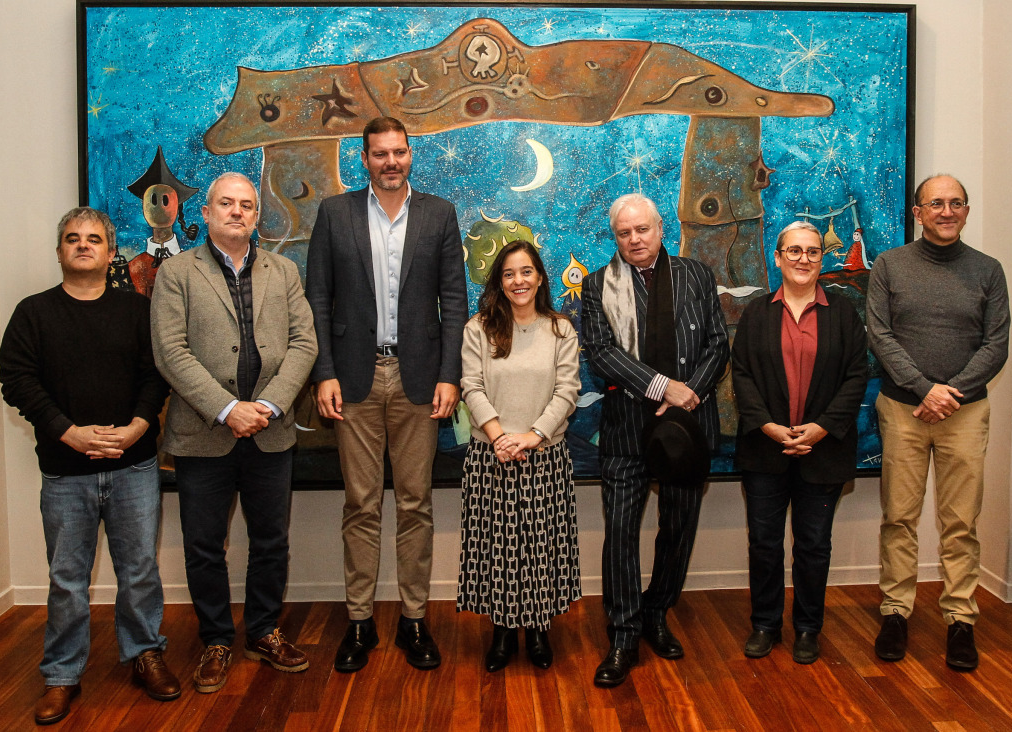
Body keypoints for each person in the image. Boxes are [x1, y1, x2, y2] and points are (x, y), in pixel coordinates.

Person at [0, 207, 179, 725]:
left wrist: (139, 427)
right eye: (73, 239)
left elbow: (156, 376)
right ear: (60, 251)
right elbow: (17, 379)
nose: (83, 246)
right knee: (67, 579)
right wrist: (68, 432)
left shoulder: (135, 311)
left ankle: (145, 654)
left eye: (93, 239)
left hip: (134, 466)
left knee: (140, 571)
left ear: (108, 251)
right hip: (64, 470)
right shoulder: (32, 313)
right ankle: (61, 675)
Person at [306, 116, 468, 672]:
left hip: (420, 380)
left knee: (417, 502)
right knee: (361, 503)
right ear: (365, 159)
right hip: (352, 380)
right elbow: (317, 301)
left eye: (399, 152)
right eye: (380, 154)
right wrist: (323, 372)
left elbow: (454, 300)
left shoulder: (439, 214)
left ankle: (414, 619)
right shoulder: (335, 213)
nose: (391, 162)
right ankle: (359, 622)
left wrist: (451, 375)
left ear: (410, 156)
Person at [151, 172, 317, 693]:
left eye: (246, 204)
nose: (238, 212)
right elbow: (170, 352)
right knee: (204, 545)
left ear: (255, 214)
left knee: (271, 541)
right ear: (205, 212)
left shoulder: (284, 271)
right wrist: (227, 409)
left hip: (270, 430)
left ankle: (265, 631)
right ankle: (217, 641)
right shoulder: (177, 273)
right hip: (203, 435)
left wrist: (266, 405)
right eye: (227, 203)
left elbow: (303, 344)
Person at [580, 192, 729, 687]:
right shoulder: (598, 285)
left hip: (687, 429)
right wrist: (664, 387)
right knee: (620, 534)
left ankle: (657, 614)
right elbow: (600, 352)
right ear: (615, 237)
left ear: (660, 228)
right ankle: (623, 635)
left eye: (641, 230)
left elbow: (716, 343)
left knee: (678, 526)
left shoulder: (696, 275)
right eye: (624, 233)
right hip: (626, 430)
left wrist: (688, 396)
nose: (634, 240)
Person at [866, 174, 1009, 670]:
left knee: (960, 522)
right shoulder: (889, 265)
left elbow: (996, 344)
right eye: (936, 204)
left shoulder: (988, 271)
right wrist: (924, 389)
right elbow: (879, 335)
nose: (946, 211)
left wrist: (950, 394)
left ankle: (960, 618)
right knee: (899, 517)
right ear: (918, 212)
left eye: (956, 203)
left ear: (966, 211)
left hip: (966, 413)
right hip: (902, 409)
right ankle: (895, 611)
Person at [731, 221, 868, 664]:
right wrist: (768, 426)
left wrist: (821, 427)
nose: (803, 259)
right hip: (764, 448)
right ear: (778, 257)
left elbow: (855, 377)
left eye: (811, 251)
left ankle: (808, 627)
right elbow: (743, 376)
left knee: (813, 545)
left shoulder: (843, 313)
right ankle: (766, 624)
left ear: (821, 258)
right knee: (764, 543)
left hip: (823, 450)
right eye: (793, 251)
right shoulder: (756, 313)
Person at [457, 240, 582, 672]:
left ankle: (539, 629)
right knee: (498, 548)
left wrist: (531, 436)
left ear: (541, 277)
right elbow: (470, 386)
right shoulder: (479, 329)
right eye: (509, 274)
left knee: (540, 547)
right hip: (491, 457)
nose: (518, 281)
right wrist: (499, 437)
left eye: (526, 272)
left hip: (543, 456)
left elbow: (568, 391)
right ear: (499, 282)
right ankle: (503, 631)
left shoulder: (561, 329)